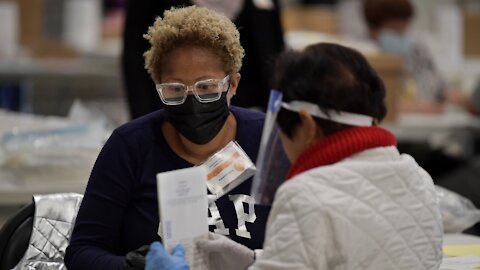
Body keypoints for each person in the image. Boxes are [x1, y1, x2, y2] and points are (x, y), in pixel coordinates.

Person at [145, 43, 444, 269]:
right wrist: (255, 259)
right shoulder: (417, 177)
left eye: (284, 130)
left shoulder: (305, 195)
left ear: (308, 125)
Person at [65, 6, 271, 269]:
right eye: (175, 89)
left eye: (206, 87)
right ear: (157, 86)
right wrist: (134, 267)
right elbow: (82, 251)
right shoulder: (131, 146)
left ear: (233, 84)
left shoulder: (267, 142)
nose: (192, 101)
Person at [122, 0, 285, 119]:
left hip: (250, 110)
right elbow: (134, 60)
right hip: (177, 113)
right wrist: (144, 122)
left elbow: (276, 54)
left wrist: (276, 121)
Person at [363, 0, 452, 113]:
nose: (403, 35)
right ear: (373, 29)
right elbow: (367, 104)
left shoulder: (417, 51)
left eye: (405, 27)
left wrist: (448, 95)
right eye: (395, 31)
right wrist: (417, 107)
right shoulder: (364, 57)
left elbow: (441, 88)